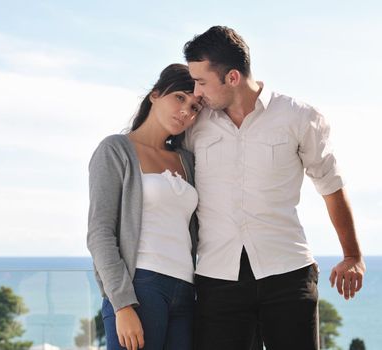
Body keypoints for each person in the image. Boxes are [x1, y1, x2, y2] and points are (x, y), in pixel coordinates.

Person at [182, 26, 366, 350]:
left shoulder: (298, 117)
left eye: (201, 82)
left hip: (288, 274)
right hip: (217, 279)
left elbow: (331, 186)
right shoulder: (195, 125)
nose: (196, 93)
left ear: (233, 78)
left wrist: (352, 254)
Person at [87, 63, 203, 350]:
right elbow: (100, 233)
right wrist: (122, 304)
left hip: (186, 292)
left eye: (194, 107)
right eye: (179, 97)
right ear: (154, 95)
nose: (186, 111)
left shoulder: (187, 160)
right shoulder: (115, 150)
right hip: (141, 287)